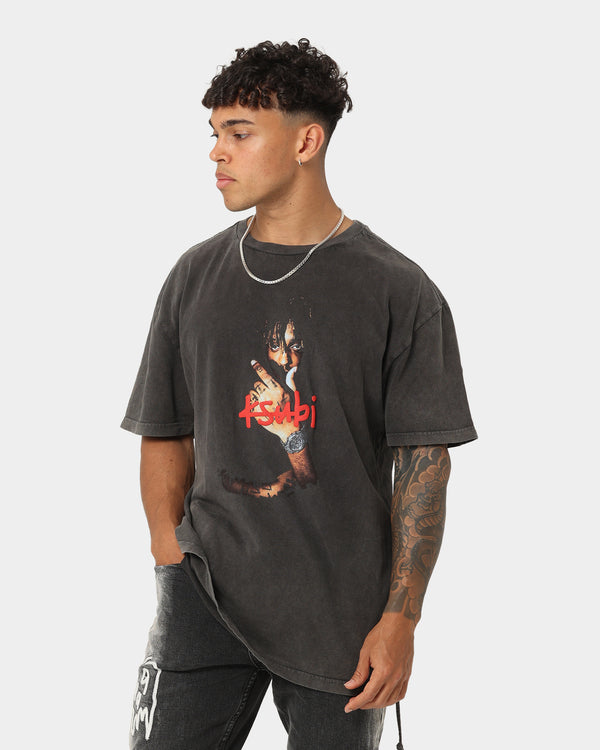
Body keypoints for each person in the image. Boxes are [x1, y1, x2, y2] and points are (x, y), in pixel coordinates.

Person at [122, 38, 477, 750]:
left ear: (307, 141)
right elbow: (165, 428)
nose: (216, 153)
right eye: (214, 134)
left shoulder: (399, 290)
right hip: (204, 594)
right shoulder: (193, 277)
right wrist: (170, 556)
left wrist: (401, 618)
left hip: (340, 612)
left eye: (239, 133)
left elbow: (424, 465)